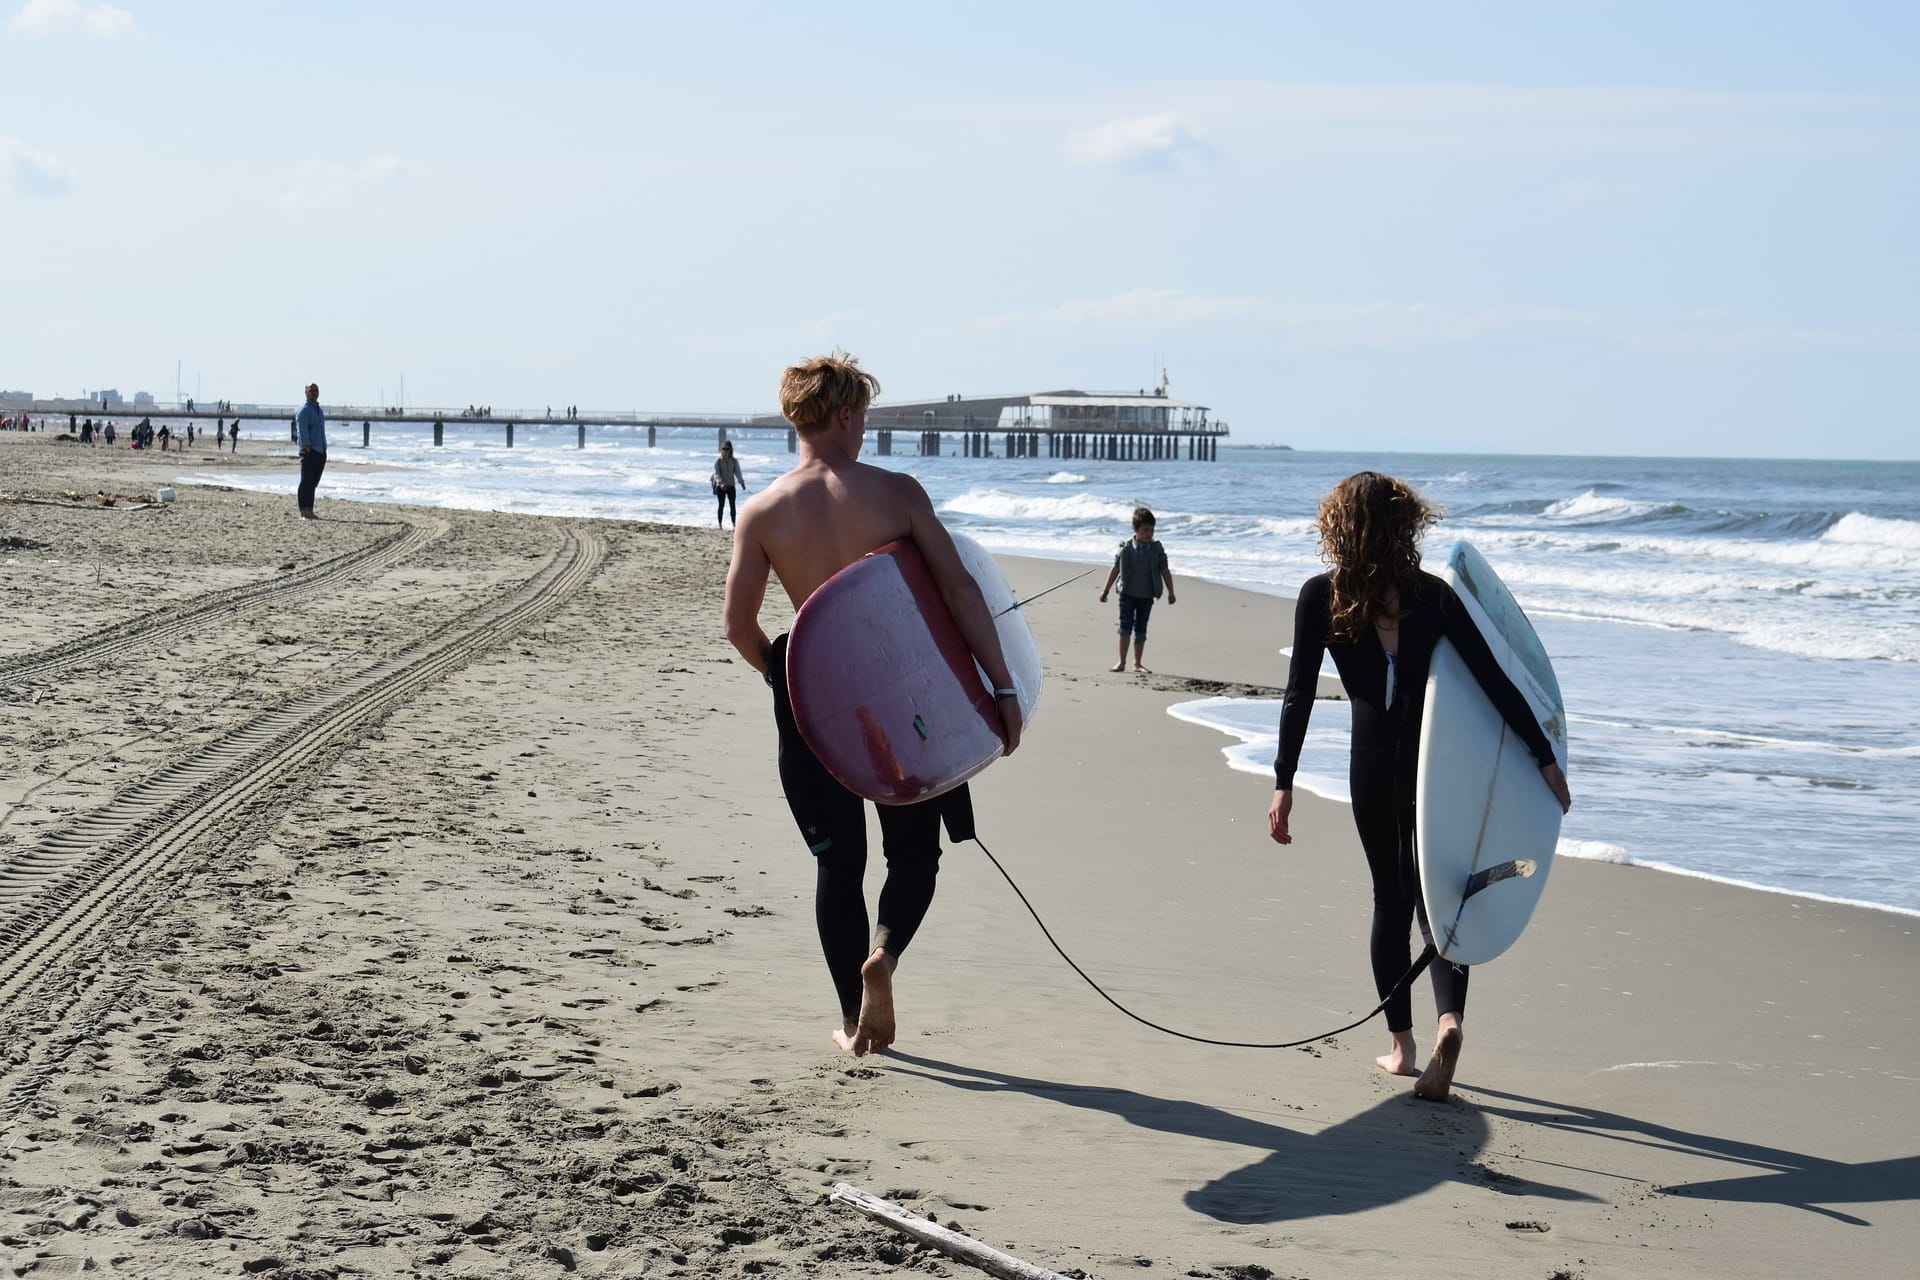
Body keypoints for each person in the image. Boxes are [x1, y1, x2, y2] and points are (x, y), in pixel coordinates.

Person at [722, 353, 1023, 1057]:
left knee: (838, 865)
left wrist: (788, 678)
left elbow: (738, 627)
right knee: (913, 855)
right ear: (846, 415)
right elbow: (958, 593)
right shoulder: (896, 494)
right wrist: (1001, 689)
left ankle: (856, 1022)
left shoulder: (764, 512)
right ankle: (884, 957)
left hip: (815, 708)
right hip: (902, 700)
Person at [1268, 471, 1571, 1101]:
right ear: (1405, 523)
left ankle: (1402, 1048)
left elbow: (1298, 695)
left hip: (1372, 764)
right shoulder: (1431, 597)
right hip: (1434, 765)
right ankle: (1449, 1021)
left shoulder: (1318, 596)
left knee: (1390, 897)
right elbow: (1493, 680)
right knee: (1442, 896)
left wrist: (1284, 782)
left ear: (1339, 526)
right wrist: (1543, 757)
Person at [1098, 506, 1176, 673]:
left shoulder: (1156, 549)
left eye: (1152, 530)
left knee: (1141, 628)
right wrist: (1105, 590)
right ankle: (1121, 662)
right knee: (1125, 627)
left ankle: (1137, 663)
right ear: (1135, 529)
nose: (1149, 533)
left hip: (1146, 596)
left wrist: (1171, 591)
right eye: (1145, 530)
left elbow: (1165, 570)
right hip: (1127, 595)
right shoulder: (1126, 547)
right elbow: (1115, 568)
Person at [295, 381, 327, 519]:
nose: (314, 392)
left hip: (320, 450)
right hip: (309, 451)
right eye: (311, 390)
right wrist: (307, 446)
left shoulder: (318, 410)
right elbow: (302, 430)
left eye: (315, 390)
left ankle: (310, 509)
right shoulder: (304, 409)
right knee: (305, 482)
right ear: (306, 392)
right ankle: (303, 511)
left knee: (313, 483)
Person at [711, 440, 747, 527]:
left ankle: (734, 524)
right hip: (721, 487)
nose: (725, 451)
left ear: (730, 450)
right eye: (724, 449)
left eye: (727, 449)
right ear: (721, 450)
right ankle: (720, 524)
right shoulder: (718, 461)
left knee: (732, 505)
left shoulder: (734, 461)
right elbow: (716, 474)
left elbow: (738, 472)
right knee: (721, 505)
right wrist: (721, 483)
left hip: (731, 486)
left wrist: (741, 482)